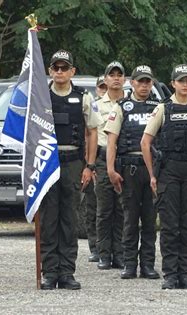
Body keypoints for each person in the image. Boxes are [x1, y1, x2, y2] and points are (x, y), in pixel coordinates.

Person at [141, 64, 187, 289]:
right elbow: (145, 141)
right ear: (172, 83)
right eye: (180, 80)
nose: (185, 84)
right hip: (169, 173)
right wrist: (153, 174)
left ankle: (186, 274)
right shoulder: (163, 109)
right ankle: (171, 274)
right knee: (170, 225)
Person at [40, 49, 102, 290]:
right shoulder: (41, 98)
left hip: (73, 162)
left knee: (69, 219)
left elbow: (93, 131)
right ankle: (49, 272)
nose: (59, 72)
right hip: (48, 163)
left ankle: (66, 272)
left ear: (72, 71)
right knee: (48, 219)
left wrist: (90, 165)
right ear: (49, 71)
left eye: (64, 67)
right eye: (55, 67)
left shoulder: (83, 97)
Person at [105, 65, 160, 279]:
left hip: (152, 169)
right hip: (129, 168)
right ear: (133, 83)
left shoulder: (159, 107)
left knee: (149, 218)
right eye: (140, 81)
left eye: (148, 81)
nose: (144, 85)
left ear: (152, 83)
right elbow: (111, 141)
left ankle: (148, 264)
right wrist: (110, 169)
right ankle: (129, 263)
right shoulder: (122, 107)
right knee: (129, 218)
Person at [95, 61, 125, 270]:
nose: (115, 78)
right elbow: (89, 135)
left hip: (125, 159)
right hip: (103, 158)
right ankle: (104, 253)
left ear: (125, 80)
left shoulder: (130, 103)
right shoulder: (96, 105)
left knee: (124, 209)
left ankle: (121, 253)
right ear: (105, 80)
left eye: (119, 74)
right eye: (111, 74)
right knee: (105, 209)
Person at [84, 75, 107, 263]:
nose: (105, 89)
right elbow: (87, 135)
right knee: (92, 207)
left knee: (113, 209)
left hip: (113, 158)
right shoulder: (93, 105)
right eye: (102, 87)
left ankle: (113, 248)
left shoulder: (121, 105)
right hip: (95, 158)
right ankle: (95, 246)